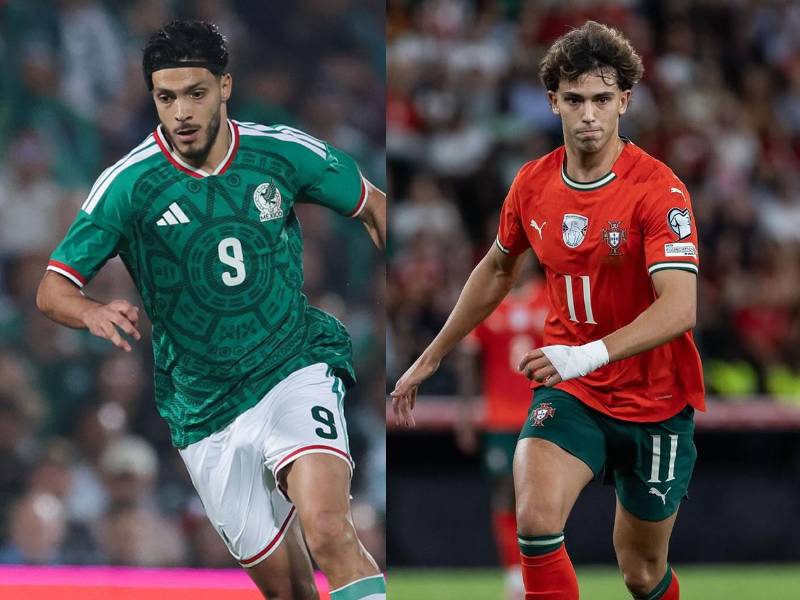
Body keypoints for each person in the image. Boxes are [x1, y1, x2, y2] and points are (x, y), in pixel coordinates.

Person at [37, 20, 386, 600]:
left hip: (291, 367)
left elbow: (375, 208)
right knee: (289, 589)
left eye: (195, 93)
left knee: (329, 528)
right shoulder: (127, 184)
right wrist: (91, 311)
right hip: (204, 411)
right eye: (165, 97)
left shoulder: (279, 152)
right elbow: (53, 289)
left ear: (225, 86)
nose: (181, 113)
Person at [392, 20, 703, 600]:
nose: (589, 114)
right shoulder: (532, 184)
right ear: (553, 101)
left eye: (603, 99)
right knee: (534, 517)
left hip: (654, 398)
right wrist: (435, 353)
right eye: (576, 99)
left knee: (640, 571)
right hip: (573, 393)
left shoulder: (659, 191)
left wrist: (585, 355)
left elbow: (681, 307)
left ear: (625, 103)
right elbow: (496, 268)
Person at [455, 266, 548, 600]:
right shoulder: (488, 298)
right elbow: (468, 358)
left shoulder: (550, 294)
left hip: (543, 414)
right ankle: (514, 575)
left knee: (540, 500)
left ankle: (539, 571)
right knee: (505, 494)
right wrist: (466, 413)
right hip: (500, 417)